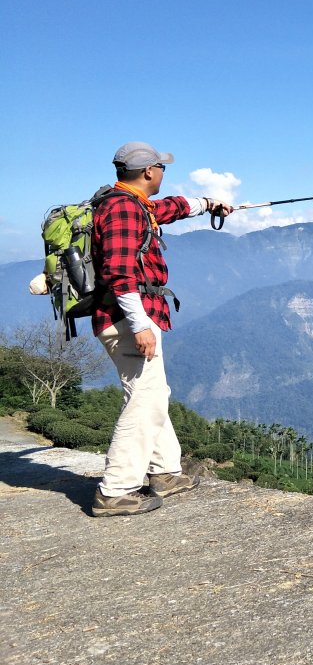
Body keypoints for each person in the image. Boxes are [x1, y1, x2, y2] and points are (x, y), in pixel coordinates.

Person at [90, 141, 233, 517]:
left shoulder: (131, 203)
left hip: (130, 315)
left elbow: (168, 209)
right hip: (127, 318)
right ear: (149, 171)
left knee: (153, 393)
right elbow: (119, 273)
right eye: (162, 168)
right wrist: (140, 326)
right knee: (143, 399)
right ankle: (116, 489)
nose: (163, 173)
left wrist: (207, 203)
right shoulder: (122, 209)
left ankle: (166, 472)